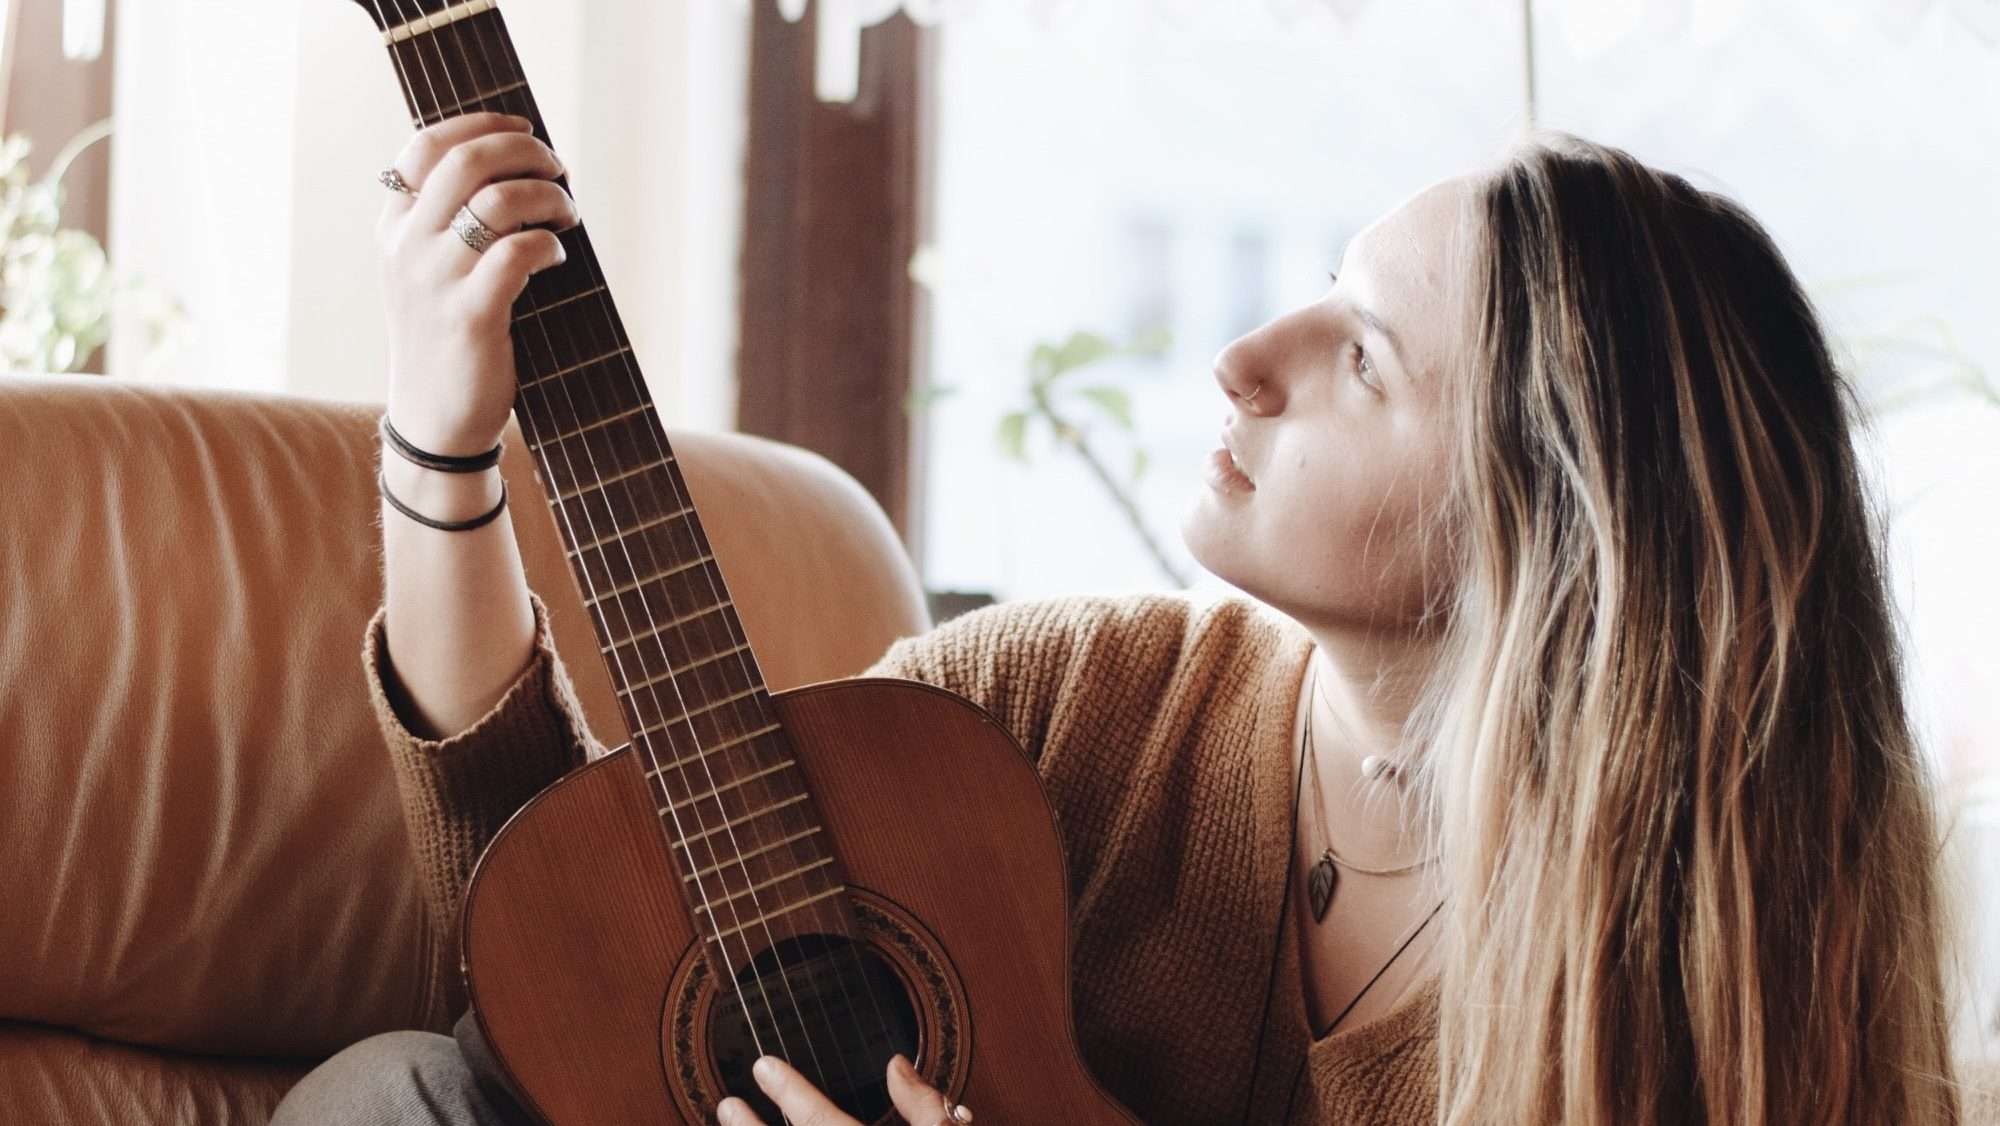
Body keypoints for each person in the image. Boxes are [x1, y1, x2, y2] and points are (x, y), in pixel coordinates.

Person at [271, 112, 1963, 1126]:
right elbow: (572, 941)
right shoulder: (1053, 706)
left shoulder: (1690, 984)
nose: (1246, 358)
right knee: (401, 1097)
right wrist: (444, 450)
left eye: (1361, 357)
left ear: (1555, 525)